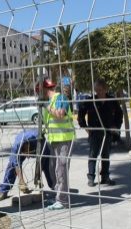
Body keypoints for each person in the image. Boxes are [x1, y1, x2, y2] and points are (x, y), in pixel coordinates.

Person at [78, 79, 123, 187]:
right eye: (96, 90)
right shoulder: (91, 101)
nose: (98, 92)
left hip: (107, 132)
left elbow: (119, 114)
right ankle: (91, 177)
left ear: (105, 89)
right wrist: (85, 126)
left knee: (105, 155)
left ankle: (105, 177)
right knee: (93, 155)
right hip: (95, 132)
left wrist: (115, 126)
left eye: (100, 90)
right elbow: (81, 112)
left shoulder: (112, 100)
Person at [41, 79, 75, 210]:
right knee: (53, 169)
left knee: (61, 170)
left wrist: (46, 106)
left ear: (44, 90)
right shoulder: (50, 102)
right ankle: (58, 196)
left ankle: (62, 200)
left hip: (64, 139)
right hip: (54, 140)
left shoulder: (60, 98)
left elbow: (60, 115)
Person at [0, 130, 55, 201]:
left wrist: (38, 177)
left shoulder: (38, 140)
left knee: (47, 164)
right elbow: (16, 163)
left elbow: (41, 161)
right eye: (25, 154)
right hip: (22, 147)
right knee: (11, 165)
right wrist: (21, 181)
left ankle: (55, 186)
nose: (28, 157)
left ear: (28, 145)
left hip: (41, 146)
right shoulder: (16, 147)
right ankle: (3, 191)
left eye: (28, 153)